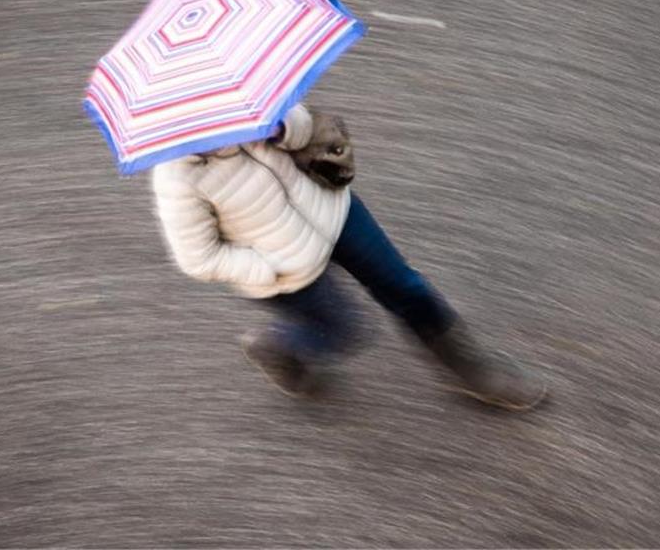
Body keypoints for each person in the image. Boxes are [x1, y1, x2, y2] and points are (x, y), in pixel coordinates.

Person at [151, 103, 547, 410]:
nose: (216, 120)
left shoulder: (248, 105)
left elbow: (304, 125)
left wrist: (282, 127)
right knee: (344, 333)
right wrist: (266, 267)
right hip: (286, 272)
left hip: (333, 213)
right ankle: (281, 347)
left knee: (405, 286)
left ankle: (470, 367)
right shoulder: (178, 179)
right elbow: (198, 258)